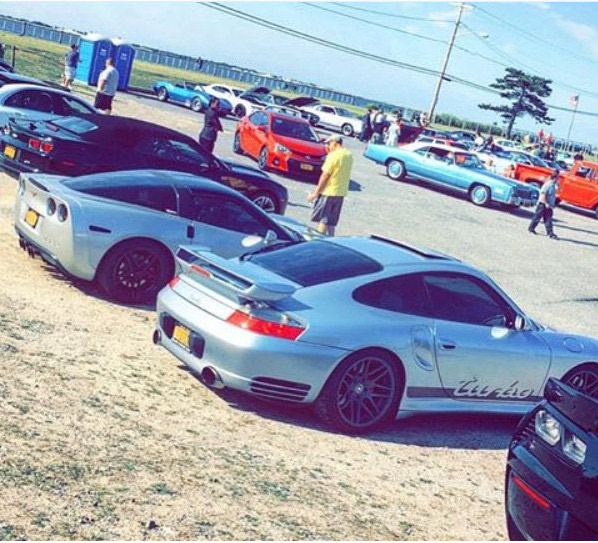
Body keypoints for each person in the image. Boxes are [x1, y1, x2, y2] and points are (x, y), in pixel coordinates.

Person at [307, 134, 353, 236]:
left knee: (323, 220)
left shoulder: (333, 156)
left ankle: (318, 239)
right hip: (340, 192)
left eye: (329, 144)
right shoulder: (348, 155)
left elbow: (325, 175)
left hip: (328, 191)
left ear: (335, 143)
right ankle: (331, 239)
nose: (327, 146)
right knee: (331, 222)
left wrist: (315, 193)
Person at [528, 170, 559, 239]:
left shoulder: (553, 186)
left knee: (548, 219)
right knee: (537, 217)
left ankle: (550, 233)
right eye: (557, 179)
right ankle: (531, 228)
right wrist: (546, 203)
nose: (557, 180)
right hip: (542, 204)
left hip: (549, 205)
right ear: (554, 179)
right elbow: (543, 195)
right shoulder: (547, 185)